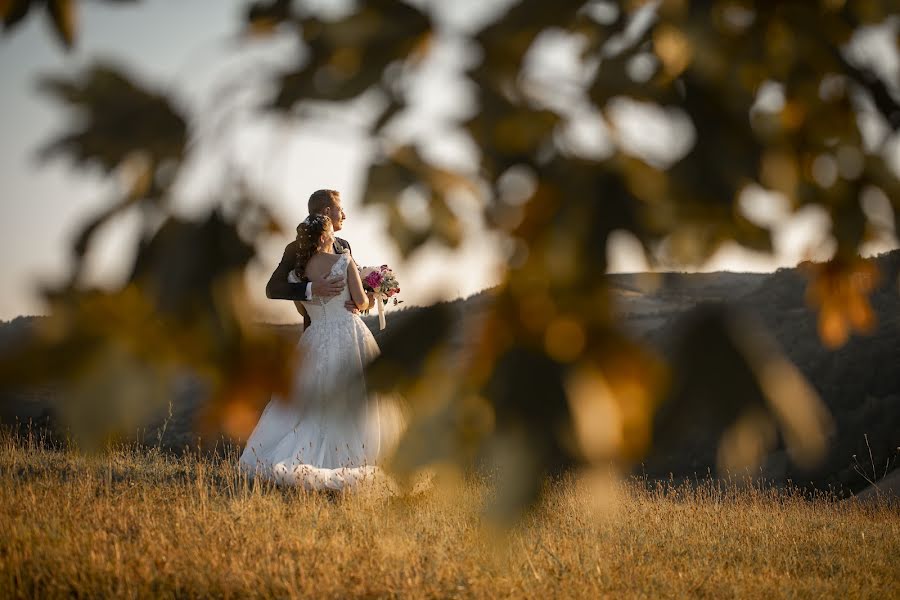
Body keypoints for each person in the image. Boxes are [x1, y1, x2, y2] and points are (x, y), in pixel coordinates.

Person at [240, 214, 405, 490]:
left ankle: (287, 454)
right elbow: (361, 302)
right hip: (347, 334)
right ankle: (359, 457)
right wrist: (369, 292)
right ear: (326, 235)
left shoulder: (297, 273)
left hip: (314, 339)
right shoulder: (344, 260)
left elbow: (304, 308)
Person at [265, 189, 370, 329]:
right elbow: (272, 289)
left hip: (348, 329)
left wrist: (365, 301)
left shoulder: (343, 245)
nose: (344, 216)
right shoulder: (294, 249)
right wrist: (311, 288)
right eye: (340, 210)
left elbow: (356, 295)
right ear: (327, 211)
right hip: (315, 332)